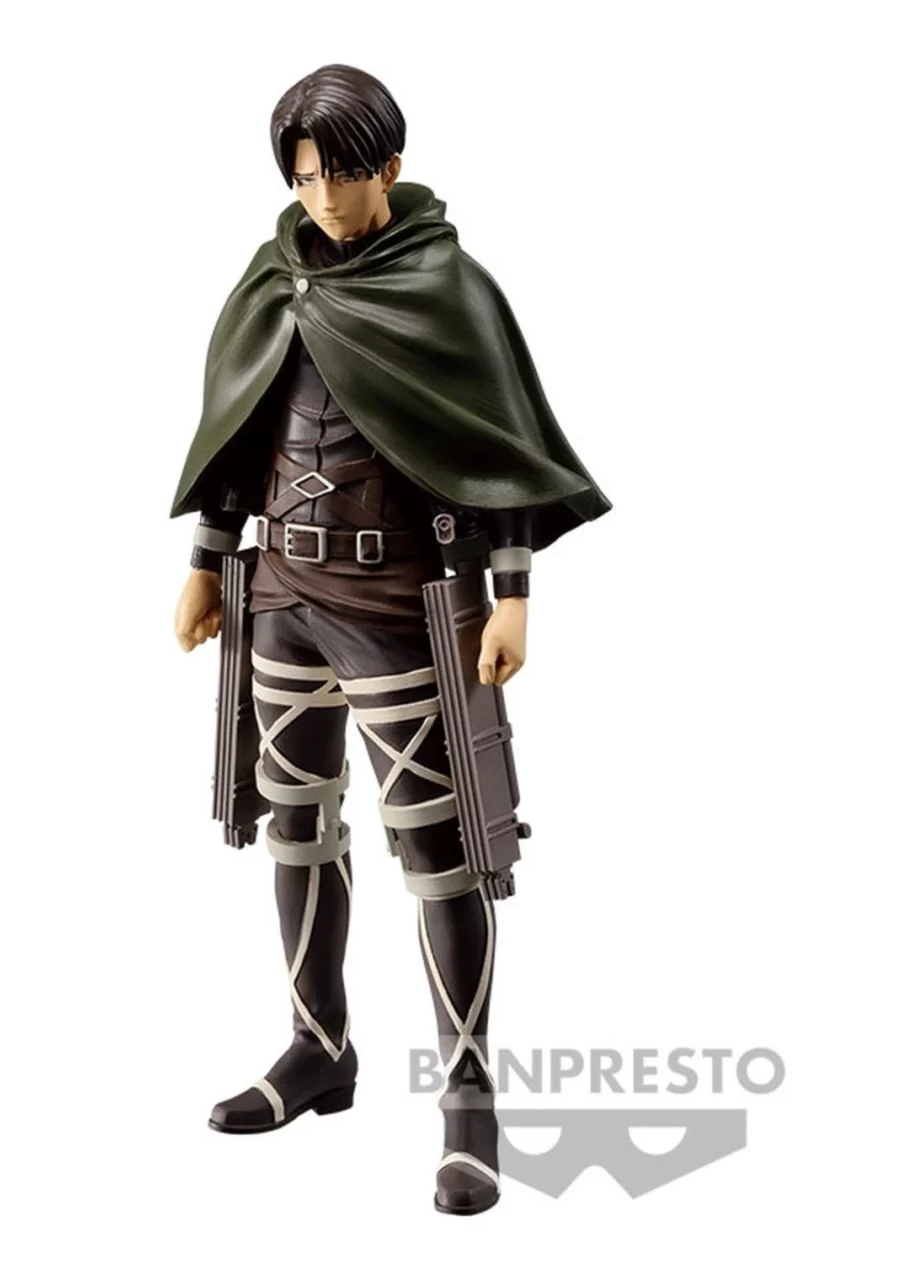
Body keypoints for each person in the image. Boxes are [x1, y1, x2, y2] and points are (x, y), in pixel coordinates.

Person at [170, 63, 610, 1215]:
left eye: (344, 172)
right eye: (305, 176)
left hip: (394, 602)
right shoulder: (272, 281)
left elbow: (496, 440)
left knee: (439, 846)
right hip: (281, 592)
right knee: (295, 823)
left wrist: (511, 591)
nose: (324, 196)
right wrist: (207, 558)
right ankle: (318, 1046)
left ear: (390, 167)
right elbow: (238, 430)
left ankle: (468, 1101)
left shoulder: (443, 287)